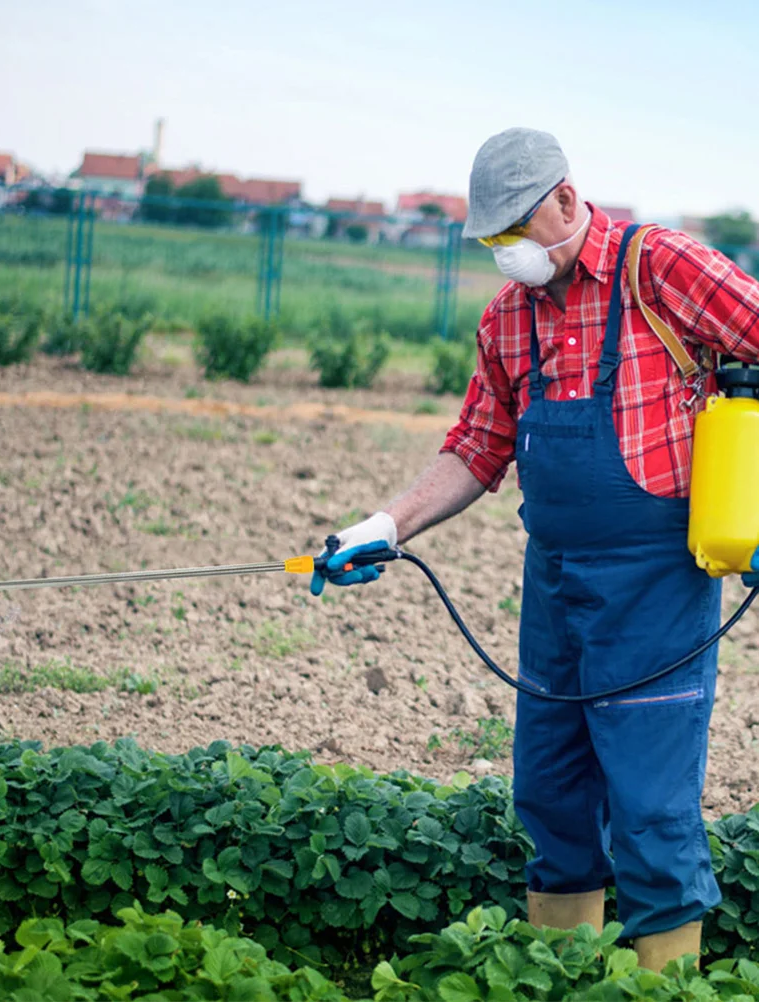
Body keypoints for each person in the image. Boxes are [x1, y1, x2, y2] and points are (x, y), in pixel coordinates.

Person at [312, 127, 759, 972]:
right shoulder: (509, 319)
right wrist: (385, 525)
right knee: (550, 793)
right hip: (554, 585)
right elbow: (479, 446)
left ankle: (667, 991)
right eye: (493, 241)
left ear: (564, 196)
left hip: (657, 582)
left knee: (651, 806)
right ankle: (563, 980)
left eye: (517, 230)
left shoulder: (657, 268)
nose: (508, 254)